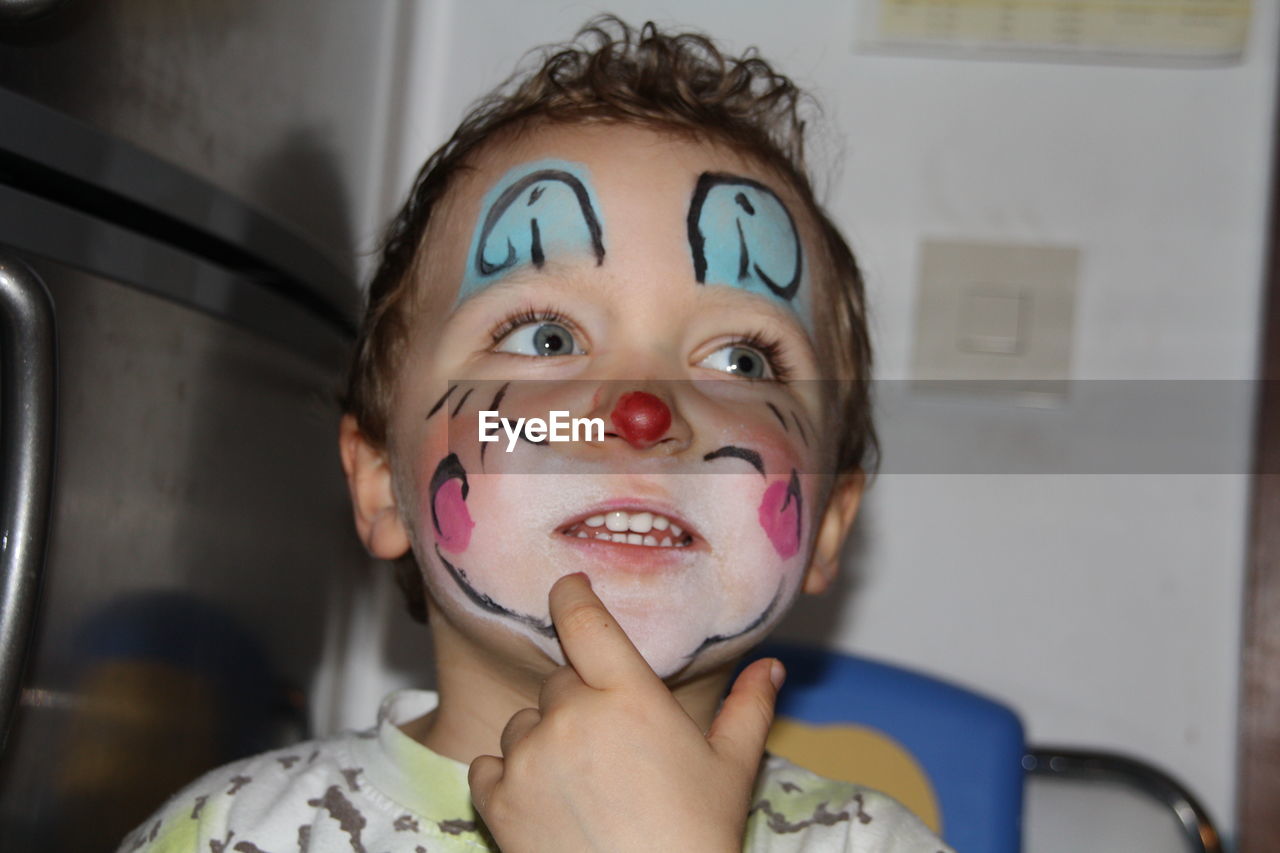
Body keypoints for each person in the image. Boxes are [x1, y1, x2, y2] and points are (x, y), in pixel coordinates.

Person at [120, 17, 952, 853]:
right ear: (381, 482)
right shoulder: (228, 835)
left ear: (828, 520)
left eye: (741, 356)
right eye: (546, 337)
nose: (641, 411)